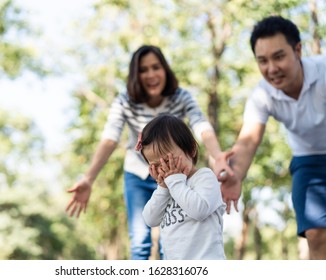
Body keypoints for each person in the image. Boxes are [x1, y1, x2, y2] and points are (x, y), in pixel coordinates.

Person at [66, 45, 232, 260]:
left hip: (178, 174)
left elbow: (200, 124)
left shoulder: (180, 97)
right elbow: (110, 137)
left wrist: (217, 156)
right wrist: (89, 178)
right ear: (136, 74)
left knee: (169, 238)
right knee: (140, 240)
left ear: (165, 69)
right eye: (143, 70)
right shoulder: (126, 100)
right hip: (139, 170)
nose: (151, 74)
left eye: (156, 67)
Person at [217, 16, 326, 259]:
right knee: (317, 234)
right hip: (308, 161)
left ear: (298, 50)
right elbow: (248, 141)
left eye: (278, 57)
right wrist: (234, 175)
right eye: (262, 61)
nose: (271, 69)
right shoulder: (262, 95)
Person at [139, 115, 226, 260]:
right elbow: (150, 219)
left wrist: (174, 182)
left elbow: (199, 210)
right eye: (157, 165)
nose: (165, 169)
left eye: (168, 161)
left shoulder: (204, 177)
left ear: (191, 149)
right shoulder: (166, 190)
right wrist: (162, 188)